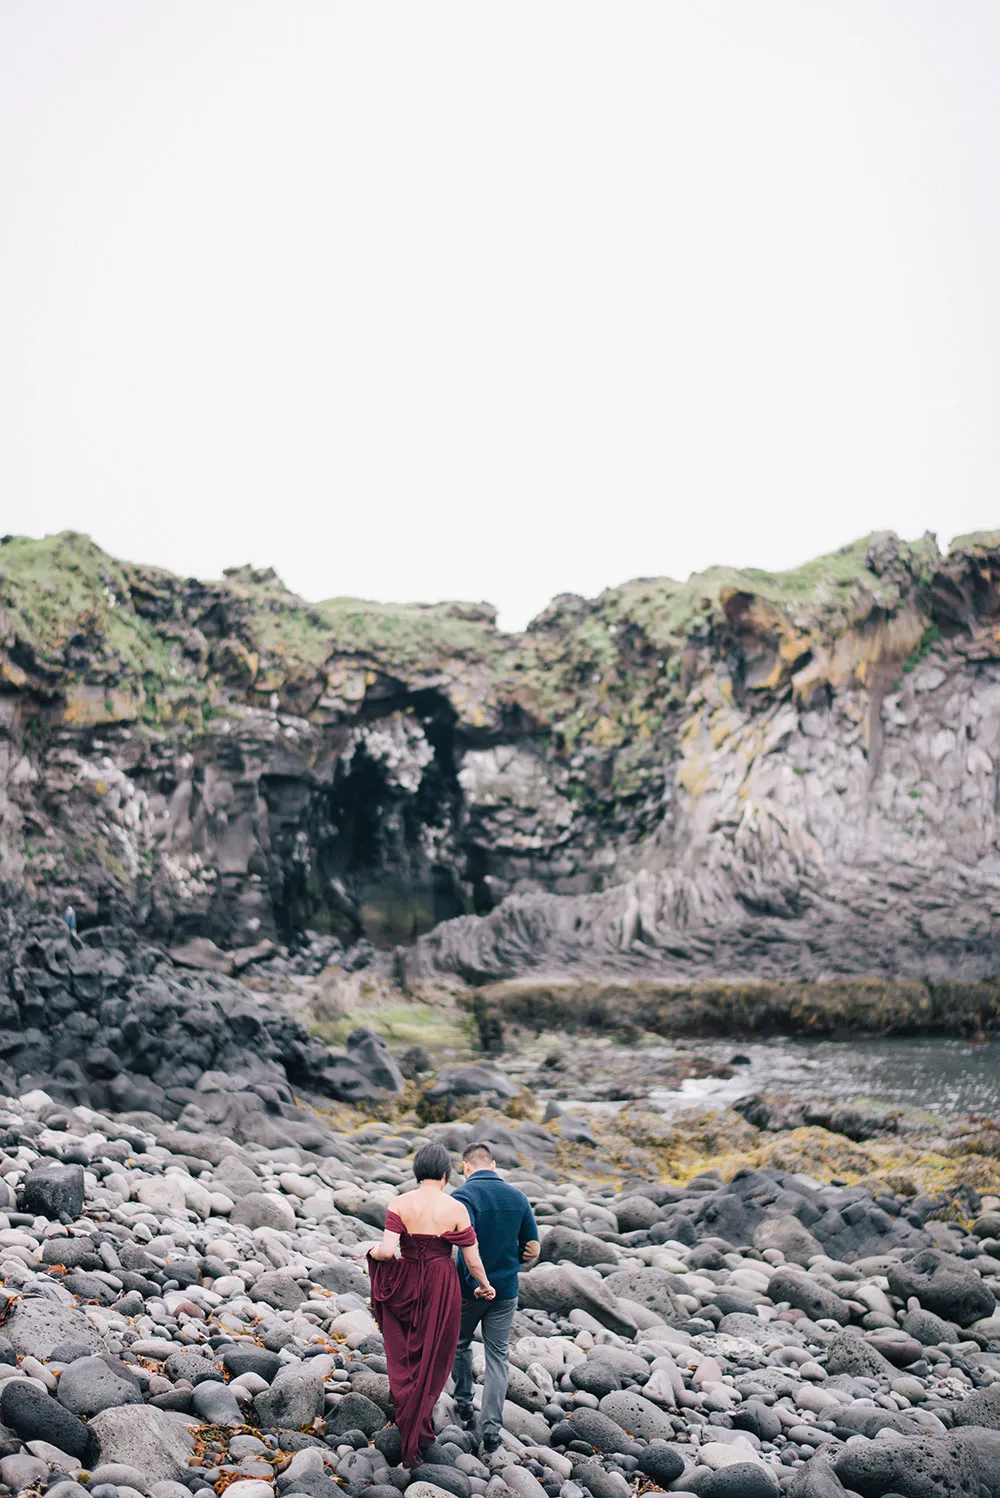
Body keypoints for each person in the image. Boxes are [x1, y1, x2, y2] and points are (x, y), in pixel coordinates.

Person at [365, 1141, 495, 1465]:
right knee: (435, 1354)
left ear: (417, 1170)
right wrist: (484, 1286)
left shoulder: (399, 1202)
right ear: (445, 1172)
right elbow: (472, 1258)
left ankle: (407, 1416)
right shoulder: (456, 1208)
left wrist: (370, 1255)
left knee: (407, 1350)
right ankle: (418, 1426)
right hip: (441, 1284)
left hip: (407, 1280)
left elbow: (386, 1250)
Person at [451, 1141, 540, 1453]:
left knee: (459, 1343)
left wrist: (474, 1277)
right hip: (505, 1292)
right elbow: (533, 1248)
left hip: (468, 1289)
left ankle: (463, 1403)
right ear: (493, 1166)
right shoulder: (518, 1197)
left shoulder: (462, 1196)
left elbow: (464, 1241)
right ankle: (491, 1431)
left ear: (466, 1167)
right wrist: (511, 1263)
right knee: (498, 1356)